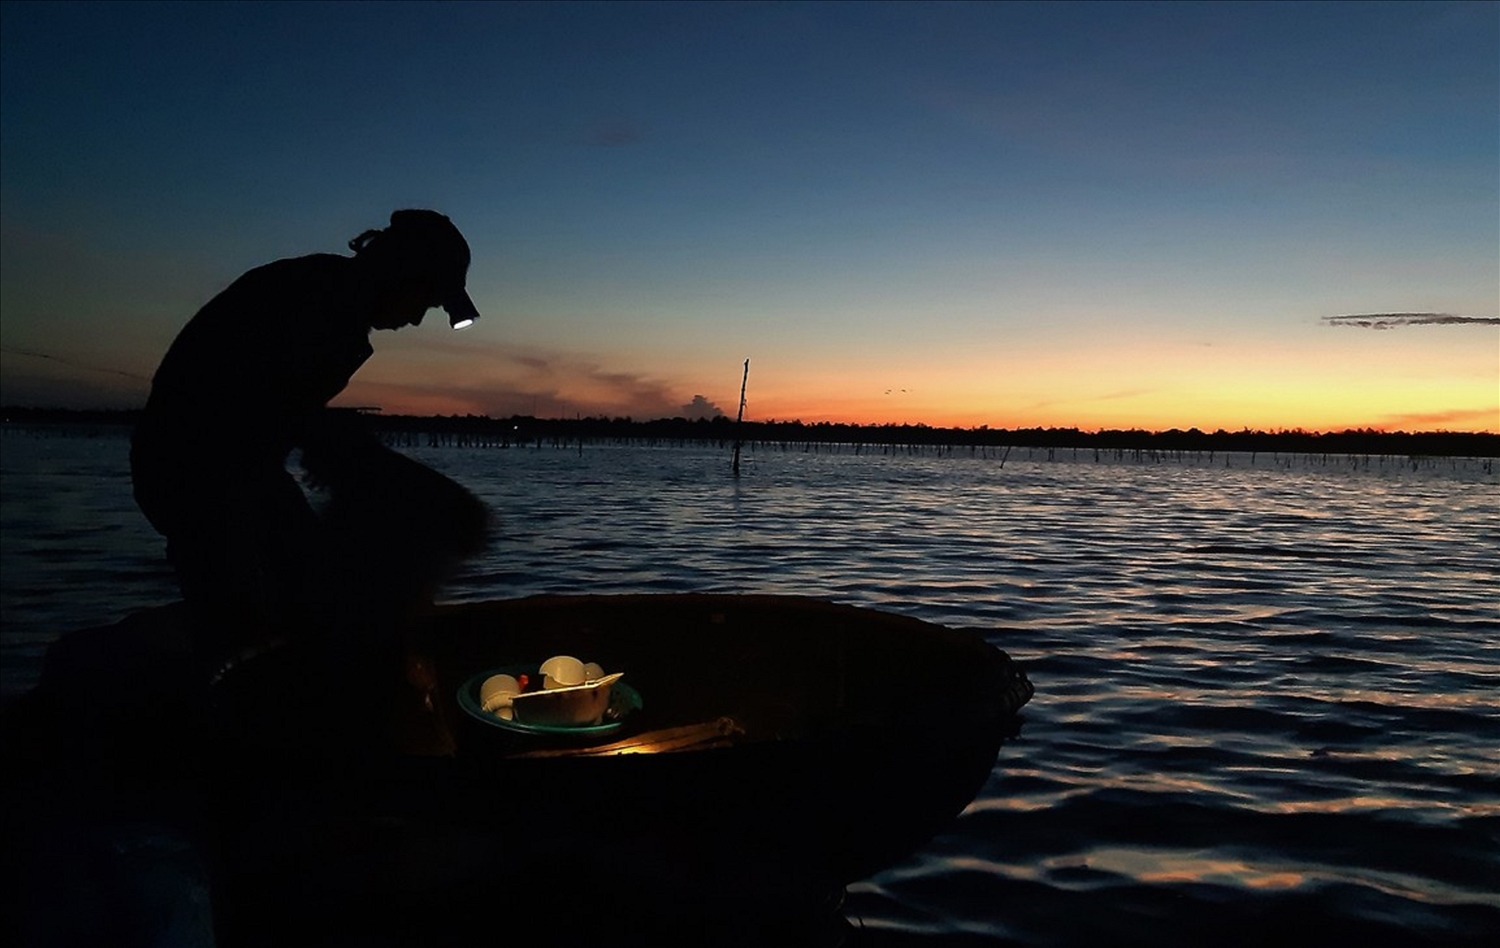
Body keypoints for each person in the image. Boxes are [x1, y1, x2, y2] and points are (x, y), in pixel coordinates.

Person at [130, 209, 490, 678]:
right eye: (426, 299)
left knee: (306, 588)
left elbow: (286, 420)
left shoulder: (333, 302)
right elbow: (263, 409)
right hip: (194, 471)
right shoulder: (319, 303)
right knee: (243, 613)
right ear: (401, 273)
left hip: (245, 470)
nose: (419, 319)